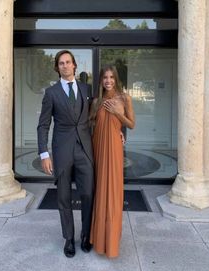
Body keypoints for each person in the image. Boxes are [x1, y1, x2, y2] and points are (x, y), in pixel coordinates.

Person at [37, 50, 94, 258]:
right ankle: (69, 238)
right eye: (61, 63)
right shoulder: (51, 93)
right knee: (64, 197)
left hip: (85, 150)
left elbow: (94, 118)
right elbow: (43, 125)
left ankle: (86, 235)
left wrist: (117, 135)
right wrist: (44, 153)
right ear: (57, 67)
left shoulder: (86, 89)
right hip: (62, 151)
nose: (65, 66)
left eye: (68, 62)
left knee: (88, 194)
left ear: (74, 65)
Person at [89, 65, 135, 258]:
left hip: (114, 149)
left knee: (113, 192)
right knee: (100, 191)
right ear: (100, 81)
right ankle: (99, 240)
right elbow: (90, 124)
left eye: (111, 77)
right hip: (97, 147)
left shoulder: (124, 98)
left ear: (116, 79)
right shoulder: (97, 101)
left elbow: (131, 124)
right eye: (105, 78)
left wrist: (117, 113)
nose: (108, 81)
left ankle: (112, 242)